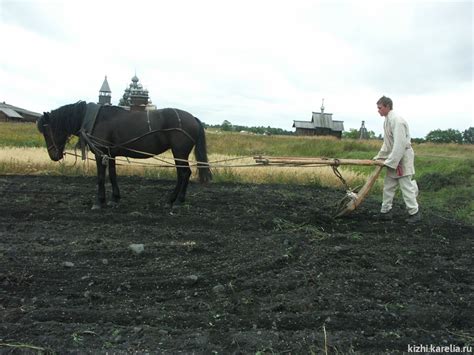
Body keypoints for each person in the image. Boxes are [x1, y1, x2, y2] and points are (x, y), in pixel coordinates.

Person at [373, 96, 421, 223]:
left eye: (380, 108)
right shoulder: (387, 121)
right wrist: (379, 157)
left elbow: (400, 144)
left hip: (402, 158)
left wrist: (390, 162)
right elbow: (387, 143)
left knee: (406, 186)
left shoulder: (397, 121)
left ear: (387, 106)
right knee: (388, 186)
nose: (378, 110)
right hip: (394, 158)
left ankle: (414, 212)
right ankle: (385, 211)